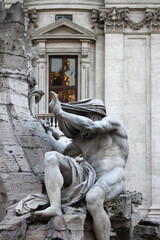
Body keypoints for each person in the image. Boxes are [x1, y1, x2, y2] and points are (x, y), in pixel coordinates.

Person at [35, 92, 129, 240]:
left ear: (94, 115)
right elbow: (64, 151)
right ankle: (55, 206)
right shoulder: (82, 138)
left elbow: (90, 126)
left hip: (113, 174)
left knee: (93, 198)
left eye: (80, 116)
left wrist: (60, 113)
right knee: (51, 157)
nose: (76, 125)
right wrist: (47, 133)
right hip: (89, 175)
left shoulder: (112, 124)